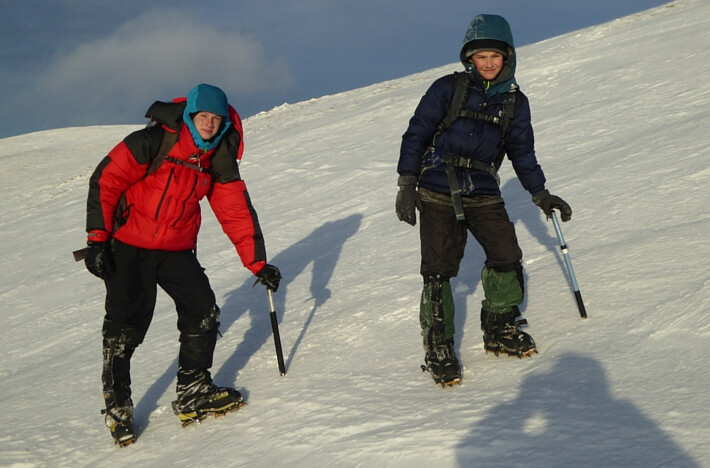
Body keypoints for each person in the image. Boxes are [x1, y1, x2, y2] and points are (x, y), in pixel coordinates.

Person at [84, 83, 282, 445]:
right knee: (125, 325)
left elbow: (235, 211)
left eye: (216, 119)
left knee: (202, 312)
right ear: (190, 115)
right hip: (129, 245)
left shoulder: (217, 158)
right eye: (203, 116)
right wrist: (97, 240)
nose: (209, 124)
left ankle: (194, 389)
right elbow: (106, 180)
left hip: (175, 249)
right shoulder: (153, 141)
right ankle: (118, 407)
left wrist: (258, 264)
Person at [396, 14, 572, 387]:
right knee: (439, 268)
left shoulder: (514, 103)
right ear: (469, 59)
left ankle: (499, 324)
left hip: (483, 190)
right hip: (437, 188)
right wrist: (407, 183)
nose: (489, 63)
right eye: (481, 56)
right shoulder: (448, 88)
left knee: (507, 255)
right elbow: (416, 133)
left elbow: (522, 154)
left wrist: (541, 195)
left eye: (495, 55)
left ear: (507, 57)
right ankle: (439, 345)